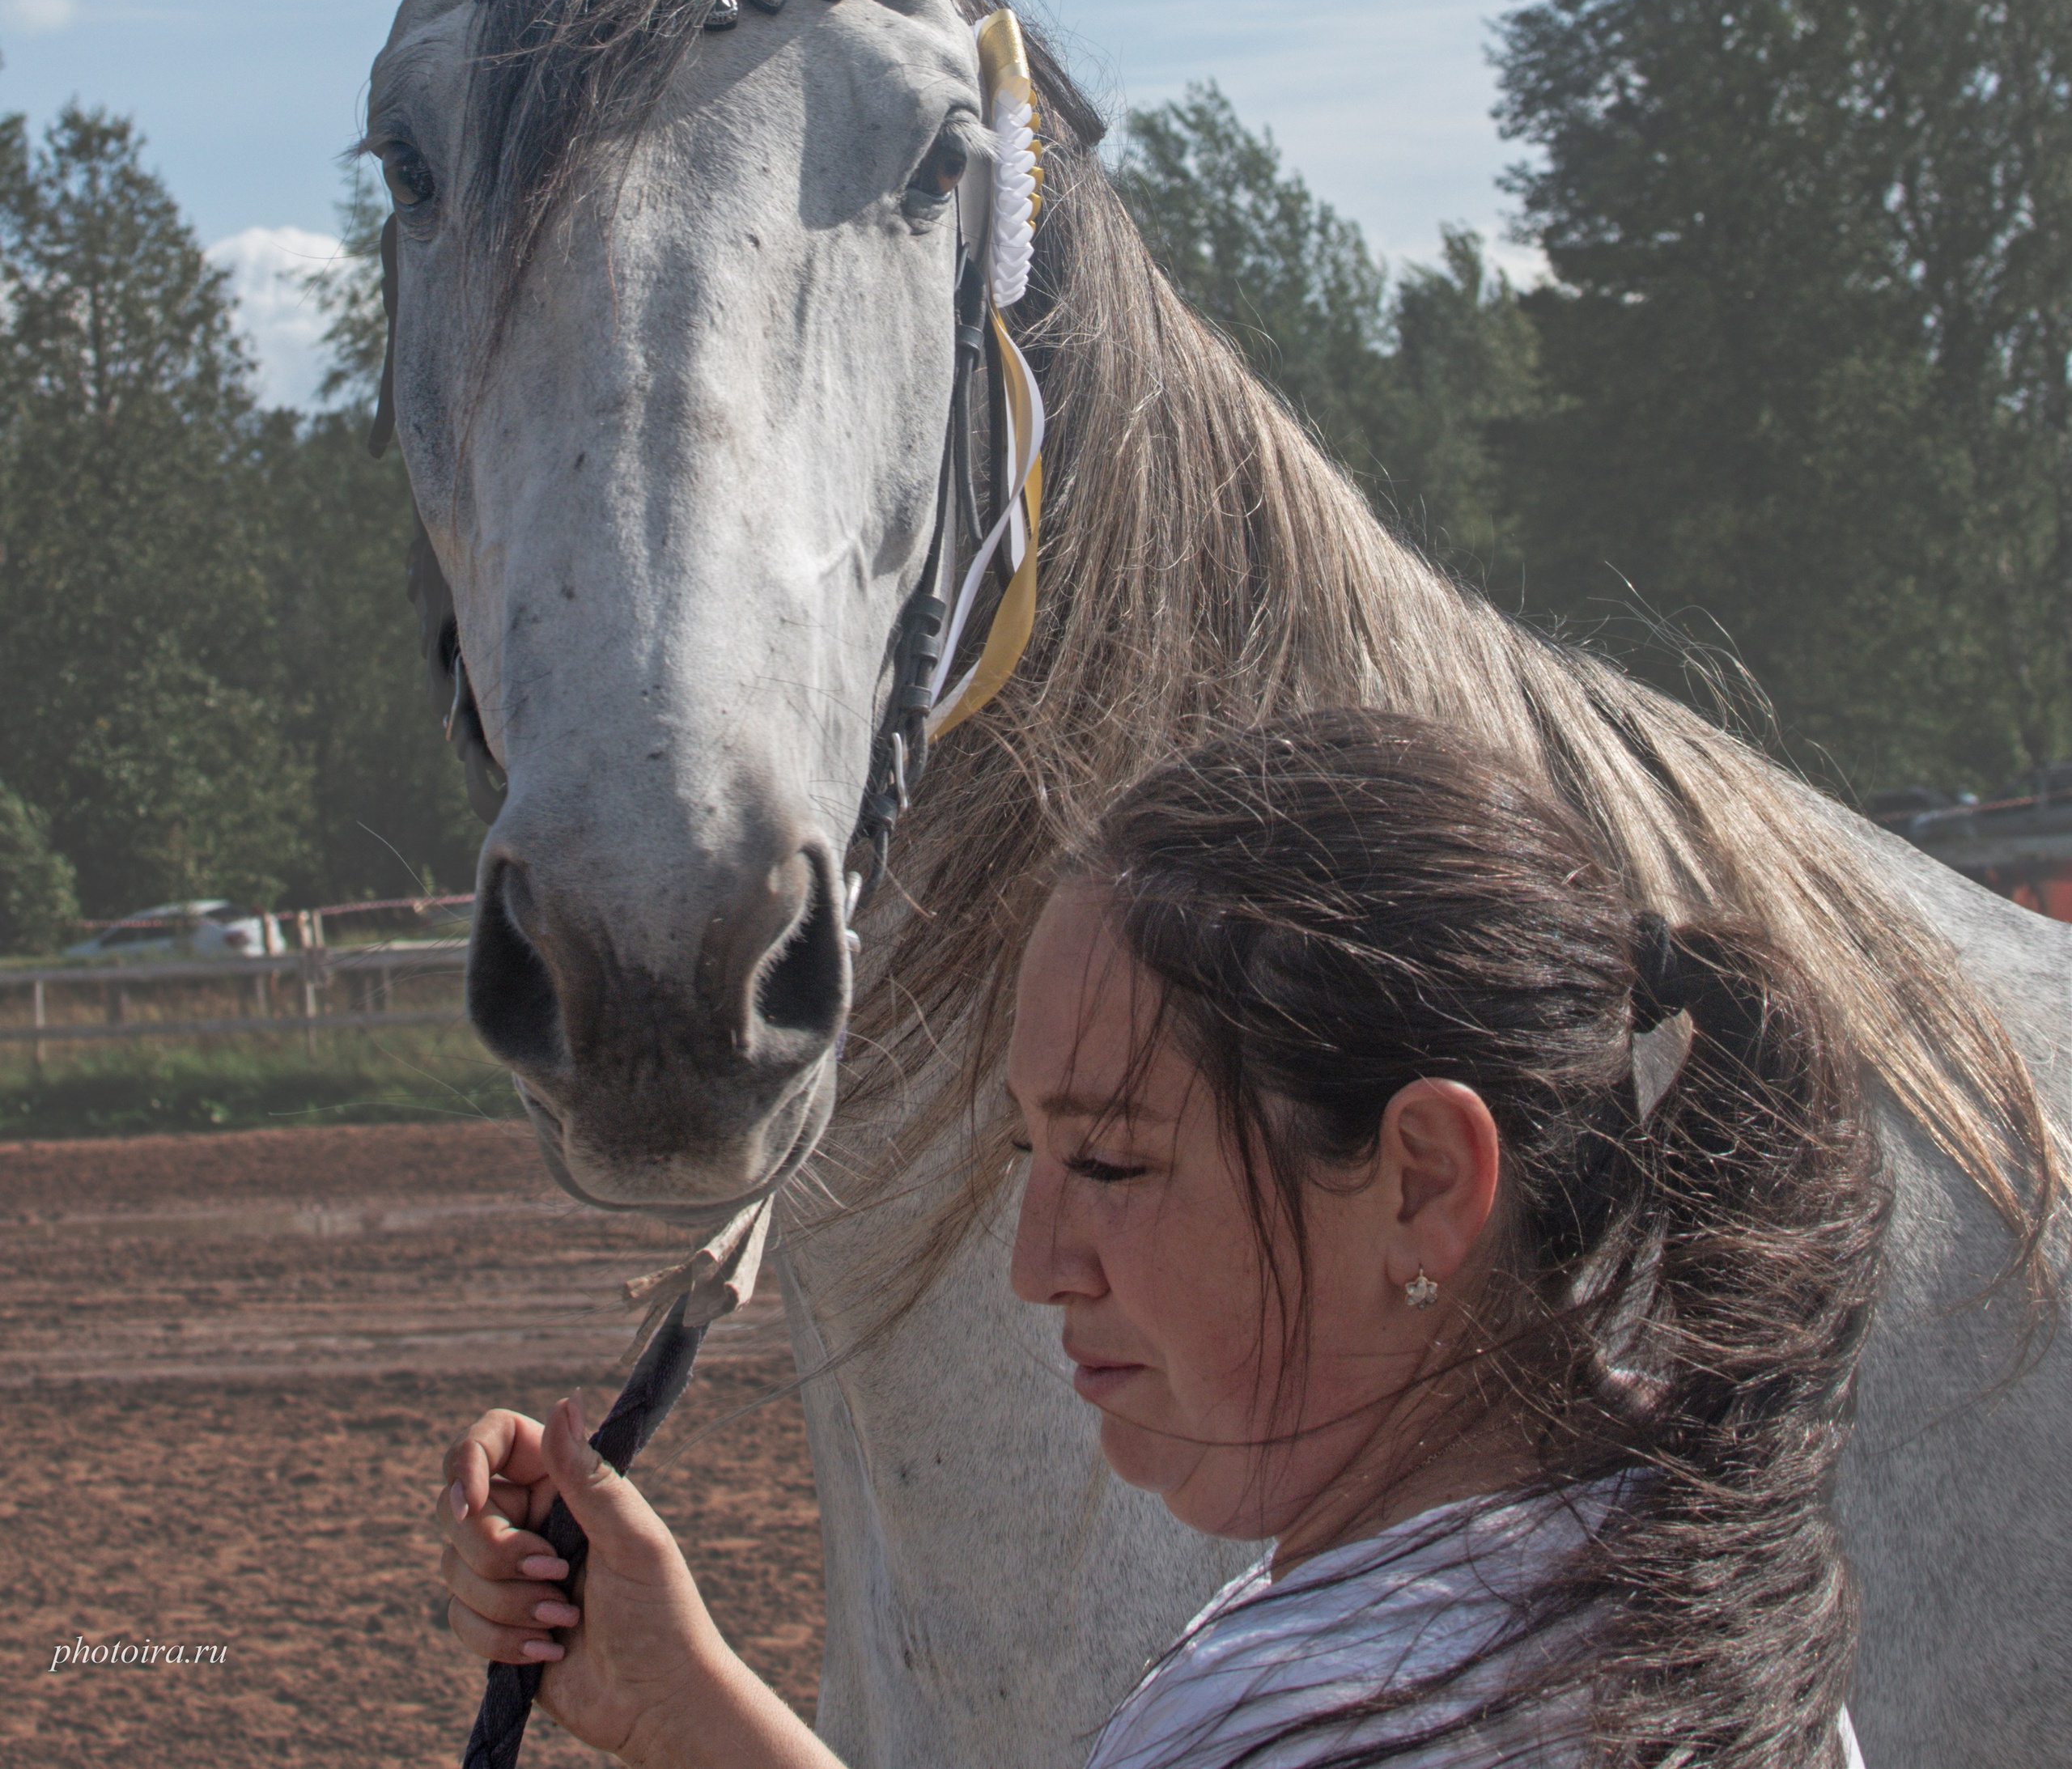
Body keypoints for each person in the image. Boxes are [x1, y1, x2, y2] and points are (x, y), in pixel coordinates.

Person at [436, 709, 1884, 1766]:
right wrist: (692, 1710)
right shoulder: (1672, 1569)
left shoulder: (1328, 1720)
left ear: (1425, 1182)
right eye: (1033, 1155)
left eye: (1115, 1162)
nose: (1035, 1266)